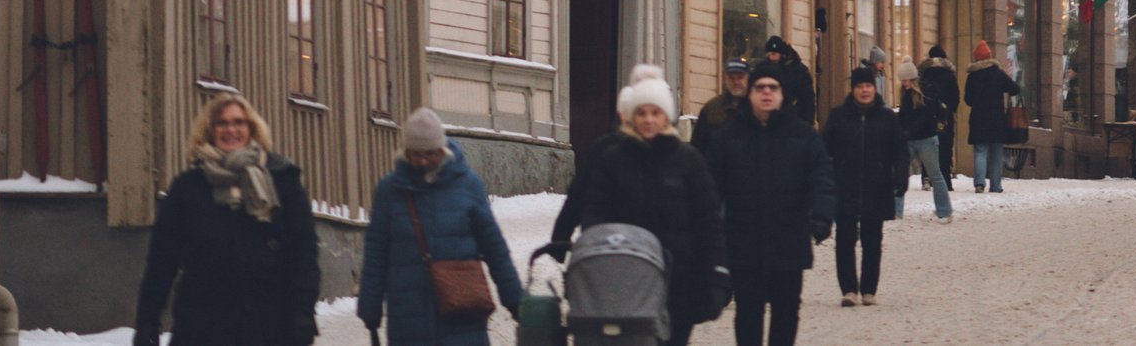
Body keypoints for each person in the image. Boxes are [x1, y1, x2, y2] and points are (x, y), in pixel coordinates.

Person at [544, 65, 728, 346]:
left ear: (666, 116)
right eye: (641, 113)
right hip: (626, 281)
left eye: (655, 113)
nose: (648, 120)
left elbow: (709, 221)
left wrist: (716, 274)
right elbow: (593, 210)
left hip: (680, 284)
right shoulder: (612, 159)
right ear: (631, 117)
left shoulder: (688, 160)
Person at [132, 93, 320, 346]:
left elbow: (303, 254)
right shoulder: (189, 187)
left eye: (239, 122)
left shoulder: (281, 180)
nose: (231, 129)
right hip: (203, 325)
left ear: (251, 129)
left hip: (270, 324)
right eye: (222, 123)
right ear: (209, 130)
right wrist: (147, 321)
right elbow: (162, 259)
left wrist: (303, 313)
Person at [358, 108, 526, 345]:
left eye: (430, 153)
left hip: (462, 311)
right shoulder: (390, 190)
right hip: (409, 315)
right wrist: (370, 307)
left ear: (442, 149)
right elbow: (376, 252)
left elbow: (494, 247)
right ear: (406, 152)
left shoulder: (467, 185)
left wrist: (515, 300)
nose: (423, 160)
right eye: (416, 154)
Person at [704, 61, 835, 346]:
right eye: (760, 87)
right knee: (748, 313)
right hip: (743, 242)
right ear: (750, 93)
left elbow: (821, 177)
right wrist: (709, 228)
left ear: (782, 94)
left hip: (789, 241)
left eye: (772, 87)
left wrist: (823, 214)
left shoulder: (803, 135)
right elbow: (710, 186)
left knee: (786, 313)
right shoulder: (728, 136)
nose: (766, 92)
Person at [822, 66, 910, 306]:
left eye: (868, 86)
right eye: (860, 86)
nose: (864, 90)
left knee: (872, 240)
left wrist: (900, 178)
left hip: (877, 185)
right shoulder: (838, 116)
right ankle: (849, 289)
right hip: (844, 185)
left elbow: (900, 152)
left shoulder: (887, 118)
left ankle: (869, 289)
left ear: (874, 88)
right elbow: (823, 150)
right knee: (845, 239)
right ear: (853, 90)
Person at [894, 59, 953, 223]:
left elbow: (925, 117)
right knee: (900, 174)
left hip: (926, 139)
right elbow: (906, 116)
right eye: (902, 80)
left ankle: (944, 211)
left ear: (912, 79)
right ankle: (896, 212)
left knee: (935, 175)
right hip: (911, 139)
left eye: (906, 80)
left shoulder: (926, 93)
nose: (904, 83)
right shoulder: (906, 93)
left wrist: (907, 131)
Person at [961, 40, 1021, 194]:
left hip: (979, 119)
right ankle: (995, 186)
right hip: (997, 119)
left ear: (976, 58)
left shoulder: (972, 76)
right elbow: (1014, 89)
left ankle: (979, 184)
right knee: (996, 153)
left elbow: (968, 100)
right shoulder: (998, 73)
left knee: (980, 151)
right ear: (989, 56)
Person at [917, 44, 961, 184]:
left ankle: (926, 176)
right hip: (945, 115)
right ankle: (945, 179)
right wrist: (951, 110)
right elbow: (955, 96)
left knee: (927, 144)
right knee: (945, 146)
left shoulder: (923, 74)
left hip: (927, 115)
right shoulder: (949, 74)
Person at [693, 60, 751, 154]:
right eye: (731, 78)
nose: (736, 82)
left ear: (748, 79)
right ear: (725, 79)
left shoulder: (757, 108)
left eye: (740, 78)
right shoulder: (712, 109)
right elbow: (698, 147)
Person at [760, 36, 816, 125]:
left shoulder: (798, 71)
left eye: (774, 54)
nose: (771, 57)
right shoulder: (764, 69)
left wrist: (806, 124)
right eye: (769, 54)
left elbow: (807, 100)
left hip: (795, 122)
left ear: (782, 54)